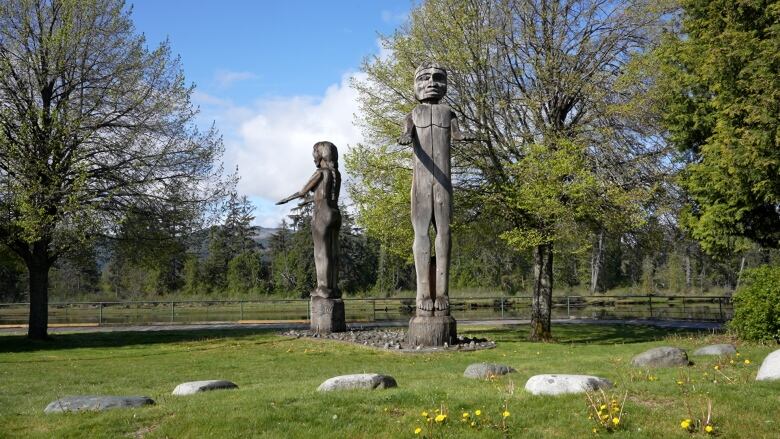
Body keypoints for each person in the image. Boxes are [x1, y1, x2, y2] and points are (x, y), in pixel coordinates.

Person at [400, 62, 473, 316]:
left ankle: (442, 292)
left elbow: (458, 135)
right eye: (424, 77)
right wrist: (406, 136)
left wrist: (469, 136)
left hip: (443, 186)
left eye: (438, 78)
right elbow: (406, 132)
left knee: (444, 234)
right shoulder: (413, 114)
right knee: (421, 234)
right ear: (415, 84)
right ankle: (423, 293)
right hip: (420, 187)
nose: (431, 82)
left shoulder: (448, 113)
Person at [277, 141, 342, 298]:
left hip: (322, 214)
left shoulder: (321, 172)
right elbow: (324, 195)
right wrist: (310, 200)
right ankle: (333, 287)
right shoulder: (336, 174)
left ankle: (323, 288)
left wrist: (286, 199)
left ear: (320, 155)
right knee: (332, 251)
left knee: (321, 252)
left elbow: (302, 191)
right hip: (335, 213)